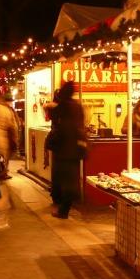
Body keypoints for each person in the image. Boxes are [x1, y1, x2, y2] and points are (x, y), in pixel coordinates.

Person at [47, 81, 86, 219]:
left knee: (61, 179)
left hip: (63, 149)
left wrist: (50, 106)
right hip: (75, 149)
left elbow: (52, 117)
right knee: (71, 179)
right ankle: (65, 206)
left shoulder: (63, 106)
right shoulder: (77, 106)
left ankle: (63, 210)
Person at [0, 89, 19, 178]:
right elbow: (13, 128)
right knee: (2, 160)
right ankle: (3, 173)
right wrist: (15, 141)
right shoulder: (6, 110)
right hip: (2, 142)